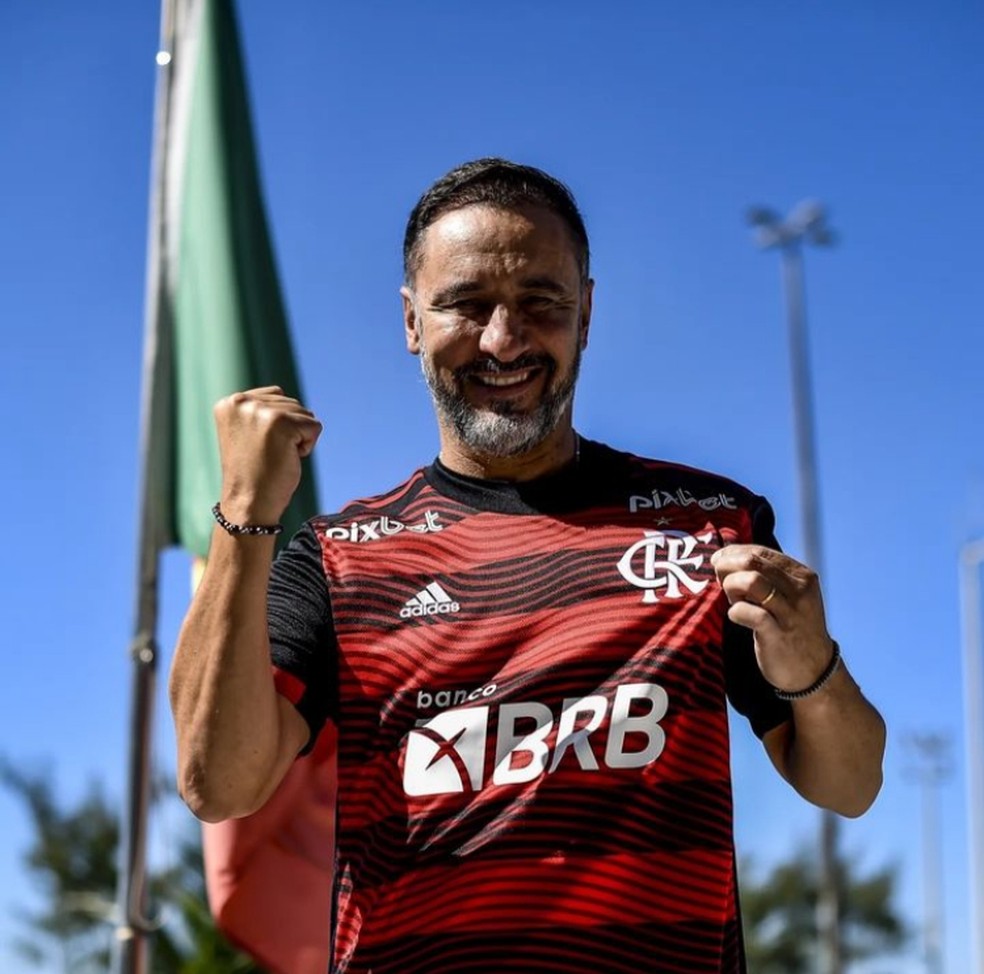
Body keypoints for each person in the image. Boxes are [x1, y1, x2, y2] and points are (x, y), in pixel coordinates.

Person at [169, 158, 886, 974]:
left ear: (586, 316)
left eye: (541, 304)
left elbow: (850, 785)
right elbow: (218, 784)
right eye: (466, 305)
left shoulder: (708, 524)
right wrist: (241, 516)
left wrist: (811, 669)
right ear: (411, 321)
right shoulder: (339, 556)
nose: (504, 340)